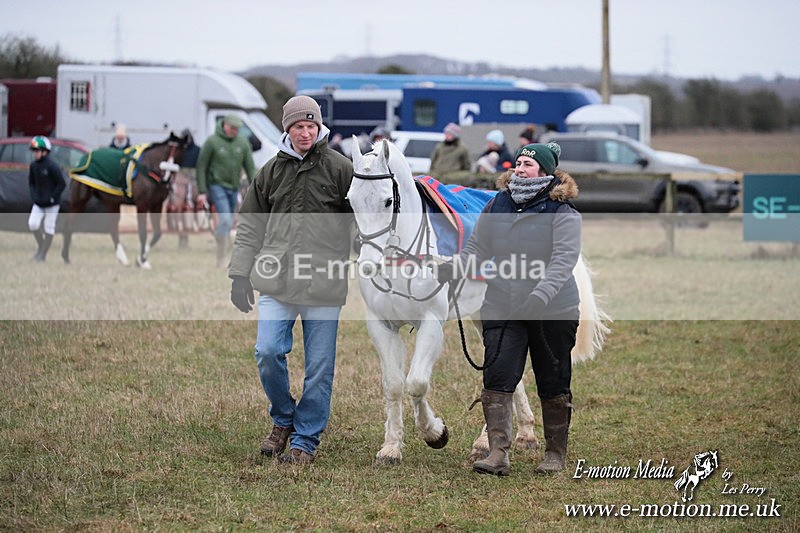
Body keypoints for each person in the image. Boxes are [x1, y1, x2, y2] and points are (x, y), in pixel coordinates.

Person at [438, 142, 581, 476]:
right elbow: (477, 246)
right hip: (503, 302)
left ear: (545, 173)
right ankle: (498, 452)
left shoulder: (563, 212)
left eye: (528, 164)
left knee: (553, 378)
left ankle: (555, 454)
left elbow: (563, 262)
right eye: (518, 162)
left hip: (552, 309)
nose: (520, 168)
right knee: (498, 374)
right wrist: (454, 268)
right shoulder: (497, 204)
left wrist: (540, 296)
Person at [227, 95, 354, 465]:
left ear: (319, 128)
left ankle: (305, 439)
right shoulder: (269, 171)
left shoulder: (341, 168)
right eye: (298, 126)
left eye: (311, 126)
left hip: (324, 282)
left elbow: (361, 222)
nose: (305, 132)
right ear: (287, 128)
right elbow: (250, 226)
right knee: (267, 352)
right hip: (276, 279)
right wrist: (239, 275)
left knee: (319, 368)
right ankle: (283, 419)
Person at [196, 114, 256, 267]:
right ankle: (221, 258)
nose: (235, 131)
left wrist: (255, 186)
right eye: (233, 128)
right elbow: (201, 167)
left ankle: (226, 252)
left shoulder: (242, 144)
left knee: (229, 222)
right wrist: (202, 191)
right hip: (216, 186)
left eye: (237, 129)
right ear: (225, 126)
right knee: (225, 220)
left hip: (233, 187)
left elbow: (250, 167)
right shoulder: (212, 142)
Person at [27, 136, 66, 262]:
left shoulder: (52, 166)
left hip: (52, 204)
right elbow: (31, 183)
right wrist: (34, 196)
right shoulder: (33, 166)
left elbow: (61, 184)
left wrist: (52, 198)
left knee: (49, 227)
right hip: (38, 202)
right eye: (34, 151)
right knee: (32, 224)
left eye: (37, 151)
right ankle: (41, 247)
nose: (35, 154)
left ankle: (42, 255)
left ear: (45, 152)